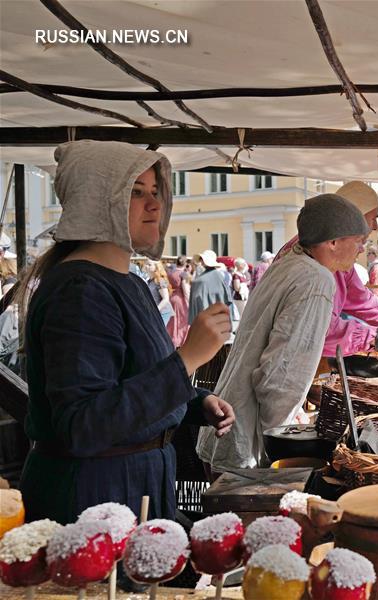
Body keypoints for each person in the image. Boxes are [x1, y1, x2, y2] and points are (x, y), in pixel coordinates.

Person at [17, 140, 234, 524]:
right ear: (98, 199)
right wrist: (187, 359)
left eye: (155, 192)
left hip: (137, 485)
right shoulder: (80, 291)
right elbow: (84, 425)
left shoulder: (128, 282)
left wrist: (195, 402)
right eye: (135, 193)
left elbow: (132, 379)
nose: (155, 205)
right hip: (96, 501)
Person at [197, 194, 370, 470]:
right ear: (333, 242)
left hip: (229, 426)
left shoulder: (288, 265)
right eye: (359, 240)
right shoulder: (316, 280)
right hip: (249, 447)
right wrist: (283, 445)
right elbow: (281, 377)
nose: (362, 248)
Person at [274, 181, 378, 357]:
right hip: (284, 362)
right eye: (374, 218)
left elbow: (364, 301)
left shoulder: (336, 257)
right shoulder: (313, 266)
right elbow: (319, 330)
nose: (375, 227)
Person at [189, 250, 233, 324]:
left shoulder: (200, 280)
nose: (201, 261)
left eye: (202, 259)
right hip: (219, 317)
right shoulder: (220, 277)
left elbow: (197, 305)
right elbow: (228, 300)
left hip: (207, 319)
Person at [166, 255, 190, 346]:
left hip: (171, 297)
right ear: (185, 263)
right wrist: (188, 300)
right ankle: (180, 341)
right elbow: (185, 289)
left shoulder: (170, 273)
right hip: (180, 299)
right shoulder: (184, 274)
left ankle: (171, 340)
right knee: (181, 321)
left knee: (172, 321)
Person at [143, 260, 173, 327]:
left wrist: (156, 310)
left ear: (156, 267)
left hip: (162, 312)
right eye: (146, 264)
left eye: (149, 265)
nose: (146, 266)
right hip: (155, 312)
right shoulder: (150, 280)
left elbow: (166, 299)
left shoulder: (160, 280)